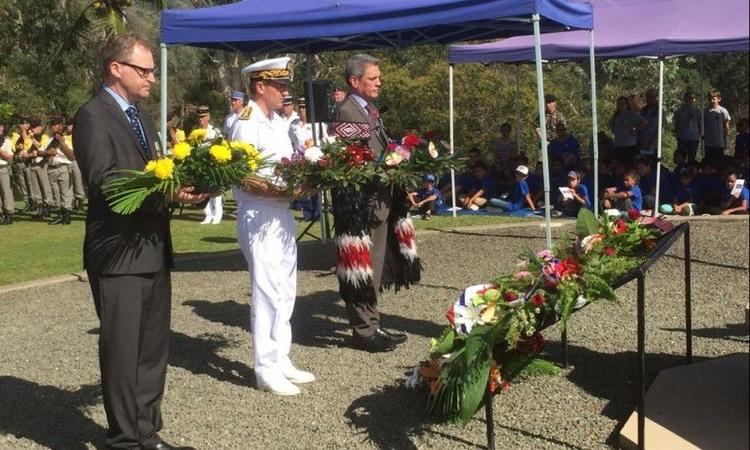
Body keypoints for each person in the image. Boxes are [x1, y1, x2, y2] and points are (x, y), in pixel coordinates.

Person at [73, 32, 207, 450]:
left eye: (152, 70)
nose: (152, 78)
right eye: (144, 70)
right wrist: (162, 190)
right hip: (118, 253)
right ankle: (126, 441)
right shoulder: (93, 115)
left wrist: (181, 188)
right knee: (123, 353)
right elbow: (107, 182)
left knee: (151, 350)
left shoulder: (142, 117)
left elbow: (155, 173)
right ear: (116, 69)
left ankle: (147, 433)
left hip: (151, 247)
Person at [230, 56, 316, 396]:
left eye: (286, 86)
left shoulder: (280, 122)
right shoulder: (246, 122)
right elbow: (244, 176)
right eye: (279, 86)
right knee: (266, 290)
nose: (285, 92)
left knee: (284, 287)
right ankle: (264, 366)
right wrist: (291, 189)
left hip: (280, 213)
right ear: (260, 86)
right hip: (259, 213)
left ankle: (280, 356)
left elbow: (291, 164)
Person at [332, 53, 408, 353]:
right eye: (372, 78)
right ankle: (364, 330)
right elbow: (353, 161)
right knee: (362, 266)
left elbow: (376, 149)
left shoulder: (368, 109)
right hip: (363, 202)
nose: (379, 82)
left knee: (374, 265)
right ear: (355, 81)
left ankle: (371, 324)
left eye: (378, 77)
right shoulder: (348, 111)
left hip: (378, 198)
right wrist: (389, 164)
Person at [45, 115, 75, 225]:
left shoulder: (67, 138)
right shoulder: (49, 139)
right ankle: (60, 214)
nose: (54, 127)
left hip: (63, 167)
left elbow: (72, 156)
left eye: (56, 124)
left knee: (65, 193)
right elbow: (44, 152)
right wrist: (47, 153)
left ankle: (67, 216)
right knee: (56, 193)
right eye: (52, 125)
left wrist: (61, 142)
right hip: (52, 167)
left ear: (61, 126)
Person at [195, 105, 223, 225]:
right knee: (204, 191)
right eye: (199, 117)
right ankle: (208, 214)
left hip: (213, 164)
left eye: (203, 116)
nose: (201, 119)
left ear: (208, 117)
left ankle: (217, 214)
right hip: (201, 166)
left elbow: (221, 147)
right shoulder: (196, 132)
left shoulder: (215, 132)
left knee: (215, 191)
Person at [611, 96, 647, 166]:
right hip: (618, 146)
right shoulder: (616, 116)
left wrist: (636, 129)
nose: (621, 105)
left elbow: (644, 122)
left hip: (629, 146)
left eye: (623, 103)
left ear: (627, 105)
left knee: (629, 166)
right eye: (619, 104)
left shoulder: (631, 114)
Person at [702, 89, 731, 165]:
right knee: (709, 162)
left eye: (714, 99)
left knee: (719, 162)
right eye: (710, 98)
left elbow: (726, 125)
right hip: (708, 143)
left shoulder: (723, 111)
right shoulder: (705, 111)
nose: (712, 100)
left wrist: (725, 138)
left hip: (719, 143)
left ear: (719, 99)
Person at [64, 119, 87, 211]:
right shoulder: (64, 137)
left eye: (71, 125)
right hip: (66, 161)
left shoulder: (79, 136)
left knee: (78, 181)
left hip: (76, 160)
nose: (69, 127)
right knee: (69, 183)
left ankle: (80, 201)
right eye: (68, 125)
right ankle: (72, 201)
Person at [673, 91, 701, 164]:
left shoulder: (697, 111)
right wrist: (677, 133)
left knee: (691, 158)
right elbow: (677, 124)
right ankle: (680, 171)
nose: (690, 100)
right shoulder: (679, 111)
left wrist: (699, 134)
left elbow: (700, 124)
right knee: (681, 158)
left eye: (692, 98)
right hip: (682, 137)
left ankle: (690, 171)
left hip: (694, 138)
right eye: (688, 98)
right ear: (684, 99)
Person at [0, 118, 15, 225]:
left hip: (3, 168)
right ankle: (1, 213)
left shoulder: (6, 141)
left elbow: (9, 157)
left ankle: (9, 213)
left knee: (6, 192)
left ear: (2, 127)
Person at [638, 88, 660, 157]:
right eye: (648, 97)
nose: (649, 99)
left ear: (656, 98)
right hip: (642, 142)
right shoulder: (643, 110)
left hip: (653, 144)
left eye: (651, 97)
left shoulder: (659, 111)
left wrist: (652, 142)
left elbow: (659, 128)